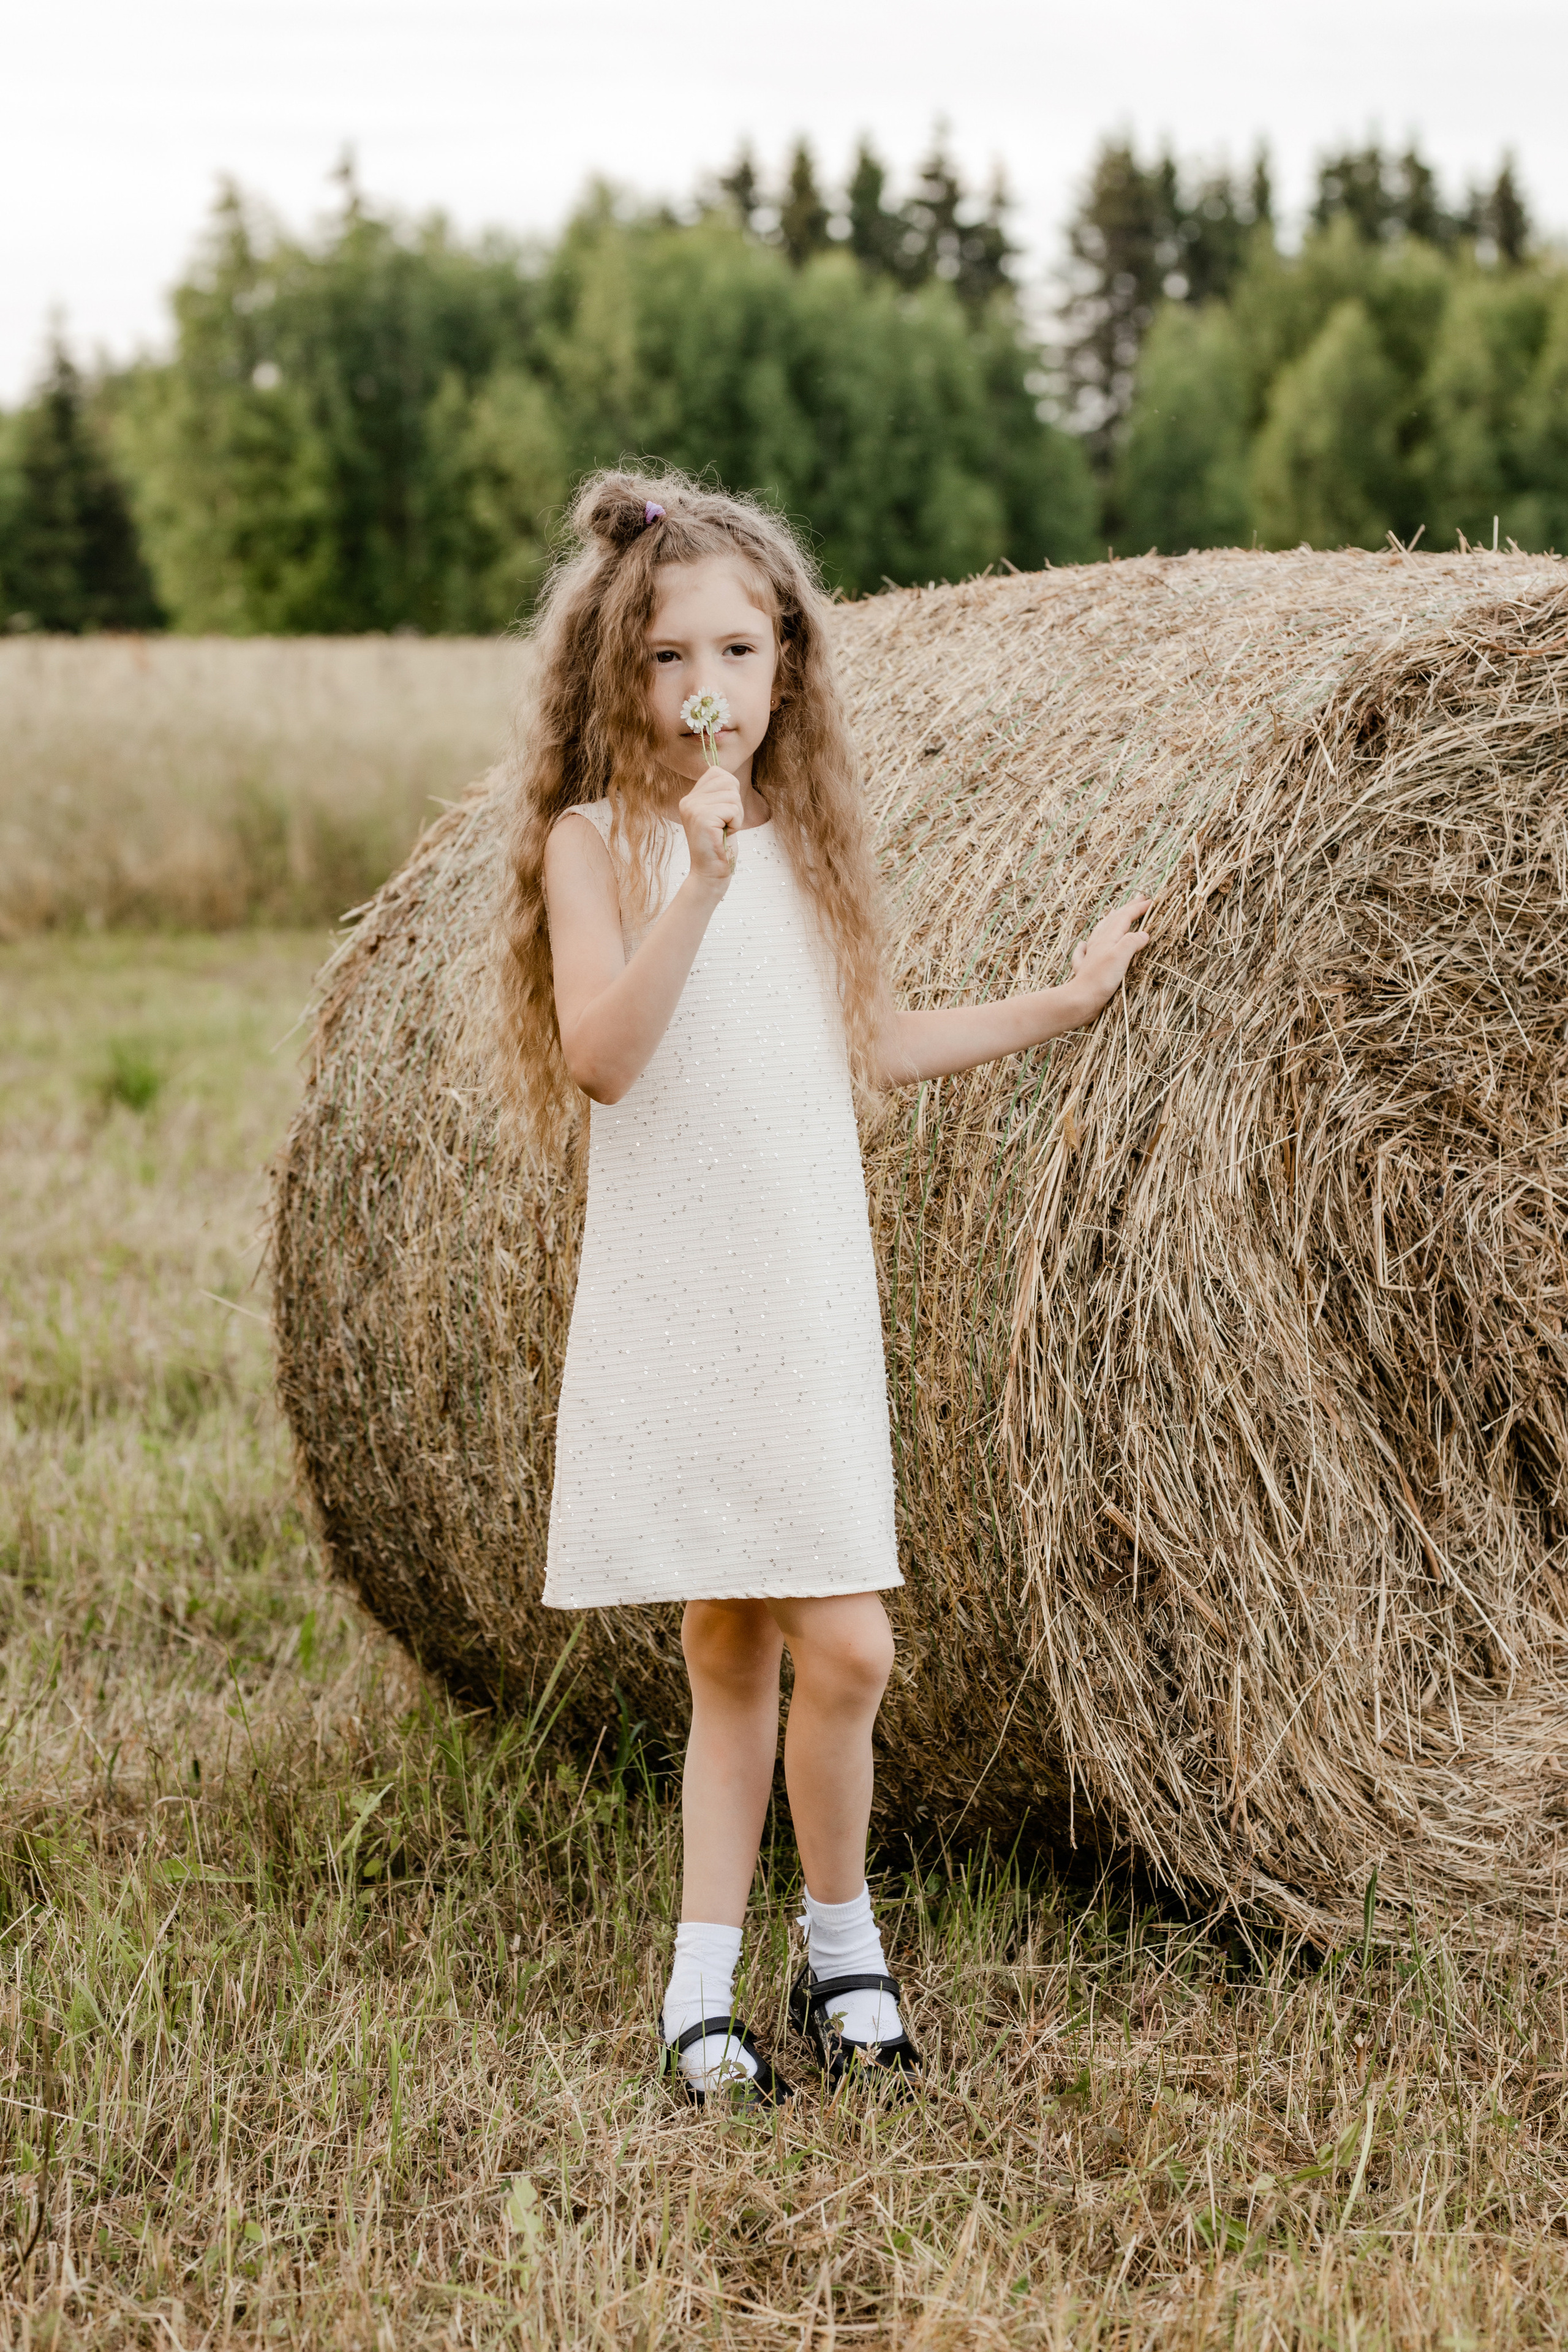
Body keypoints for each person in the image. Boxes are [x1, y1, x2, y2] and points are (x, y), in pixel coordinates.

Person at [496, 468, 1150, 2104]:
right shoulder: (597, 847)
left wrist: (1061, 1006)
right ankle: (755, 1980)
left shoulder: (810, 855)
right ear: (618, 671)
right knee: (757, 1646)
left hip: (801, 1293)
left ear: (785, 661)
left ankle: (790, 1965)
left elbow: (866, 1047)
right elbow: (604, 1059)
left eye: (737, 650)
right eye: (666, 657)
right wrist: (698, 883)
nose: (703, 687)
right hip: (684, 1290)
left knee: (823, 1648)